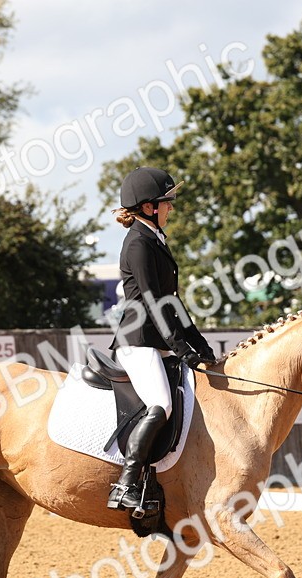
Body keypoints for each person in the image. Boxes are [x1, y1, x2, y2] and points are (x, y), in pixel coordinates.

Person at [106, 166, 217, 511]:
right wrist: (181, 349)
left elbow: (173, 302)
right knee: (162, 404)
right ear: (148, 207)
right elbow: (154, 303)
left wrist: (199, 343)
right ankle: (125, 484)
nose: (171, 207)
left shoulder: (154, 239)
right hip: (138, 341)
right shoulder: (139, 243)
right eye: (166, 202)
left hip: (156, 341)